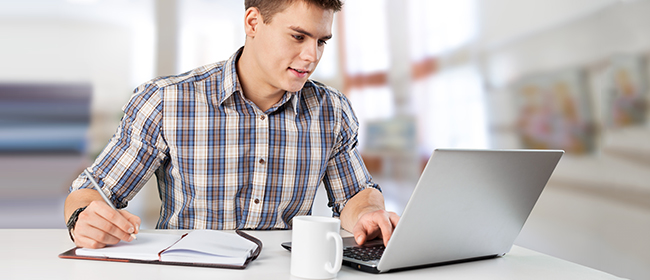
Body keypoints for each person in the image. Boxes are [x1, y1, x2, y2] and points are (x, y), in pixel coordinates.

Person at [64, 0, 400, 249]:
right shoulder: (166, 101)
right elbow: (92, 192)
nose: (312, 55)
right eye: (298, 37)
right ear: (253, 22)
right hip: (187, 269)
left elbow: (355, 195)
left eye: (321, 41)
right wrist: (84, 218)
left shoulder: (332, 111)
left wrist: (369, 214)